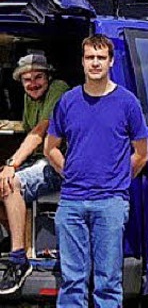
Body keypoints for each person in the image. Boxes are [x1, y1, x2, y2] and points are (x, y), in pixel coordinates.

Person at [44, 35, 148, 308]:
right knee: (72, 281)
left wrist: (118, 182)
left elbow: (142, 154)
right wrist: (70, 173)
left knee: (107, 282)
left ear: (111, 61)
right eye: (90, 57)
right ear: (82, 61)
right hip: (72, 202)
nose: (95, 63)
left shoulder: (128, 103)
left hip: (110, 203)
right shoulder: (68, 102)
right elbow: (51, 148)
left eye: (101, 58)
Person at [0, 52, 69, 295]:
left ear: (49, 76)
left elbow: (41, 129)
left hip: (61, 162)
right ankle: (16, 242)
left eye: (38, 77)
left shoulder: (59, 89)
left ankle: (19, 260)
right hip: (40, 159)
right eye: (27, 79)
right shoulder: (31, 98)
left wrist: (12, 163)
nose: (33, 83)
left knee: (11, 182)